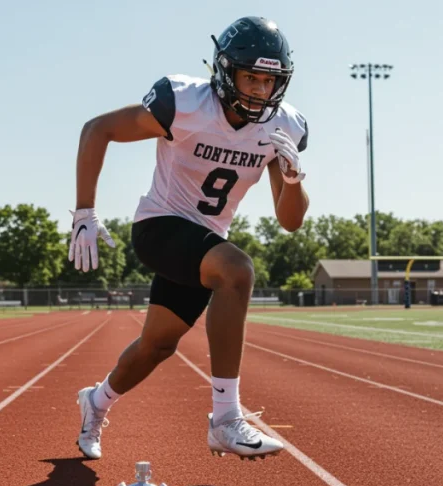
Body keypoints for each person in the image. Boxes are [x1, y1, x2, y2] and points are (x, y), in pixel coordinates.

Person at [68, 16, 310, 461]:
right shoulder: (185, 103)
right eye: (250, 77)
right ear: (225, 71)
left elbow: (290, 222)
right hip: (160, 226)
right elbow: (96, 129)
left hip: (203, 244)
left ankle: (95, 402)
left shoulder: (283, 128)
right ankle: (224, 419)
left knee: (156, 347)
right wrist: (85, 212)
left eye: (268, 80)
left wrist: (293, 181)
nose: (258, 89)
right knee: (238, 270)